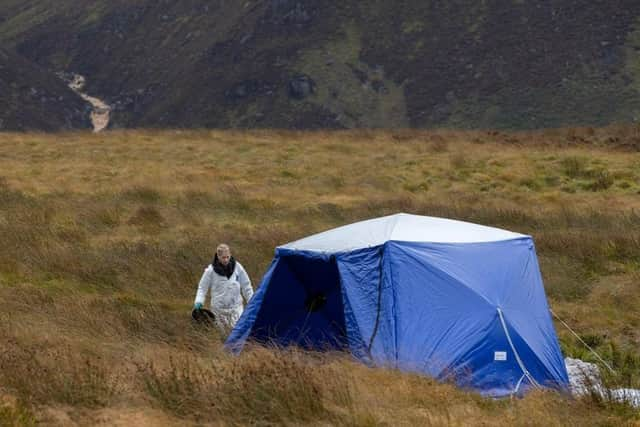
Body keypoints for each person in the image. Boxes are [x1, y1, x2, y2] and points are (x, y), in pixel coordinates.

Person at [193, 243, 253, 332]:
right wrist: (199, 301)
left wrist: (252, 302)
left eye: (227, 257)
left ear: (230, 255)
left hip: (236, 309)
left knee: (237, 333)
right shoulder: (210, 271)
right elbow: (202, 288)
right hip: (219, 311)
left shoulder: (238, 267)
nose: (225, 260)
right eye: (223, 257)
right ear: (218, 256)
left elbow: (246, 286)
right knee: (222, 335)